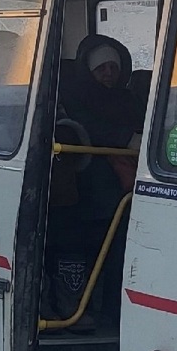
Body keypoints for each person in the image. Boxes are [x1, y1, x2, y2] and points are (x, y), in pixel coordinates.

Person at [48, 35, 144, 329]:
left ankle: (110, 311)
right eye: (101, 68)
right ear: (88, 71)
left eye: (113, 69)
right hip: (85, 190)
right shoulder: (74, 98)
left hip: (121, 189)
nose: (108, 75)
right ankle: (78, 308)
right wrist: (126, 140)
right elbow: (87, 129)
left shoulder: (127, 100)